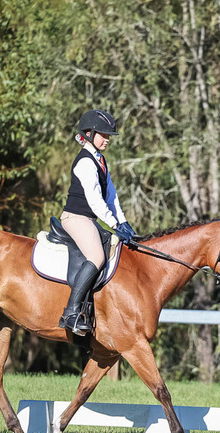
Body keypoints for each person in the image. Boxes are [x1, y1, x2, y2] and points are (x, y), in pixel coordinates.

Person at [58, 109, 137, 335]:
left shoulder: (100, 161)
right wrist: (114, 225)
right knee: (97, 256)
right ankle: (71, 313)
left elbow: (111, 196)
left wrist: (124, 222)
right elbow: (94, 200)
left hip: (89, 219)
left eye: (108, 135)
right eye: (103, 134)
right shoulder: (85, 162)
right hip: (75, 218)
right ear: (90, 133)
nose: (108, 139)